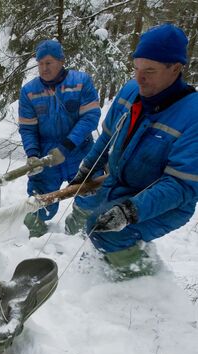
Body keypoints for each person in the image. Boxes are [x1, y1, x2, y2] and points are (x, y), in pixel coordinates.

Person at [68, 23, 198, 277]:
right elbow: (106, 137)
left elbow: (182, 186)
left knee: (106, 230)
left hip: (167, 204)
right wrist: (87, 170)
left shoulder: (192, 115)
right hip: (117, 182)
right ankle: (73, 247)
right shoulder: (131, 92)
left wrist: (129, 211)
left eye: (149, 71)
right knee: (82, 200)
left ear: (175, 68)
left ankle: (142, 284)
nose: (139, 79)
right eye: (136, 68)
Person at [18, 39, 101, 237]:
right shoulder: (29, 91)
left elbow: (90, 118)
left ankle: (77, 231)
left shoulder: (81, 82)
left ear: (62, 61)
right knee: (38, 203)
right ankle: (35, 238)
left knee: (91, 195)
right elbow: (28, 128)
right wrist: (33, 155)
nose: (44, 68)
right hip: (47, 158)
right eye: (40, 64)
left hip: (80, 151)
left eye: (49, 62)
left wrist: (66, 147)